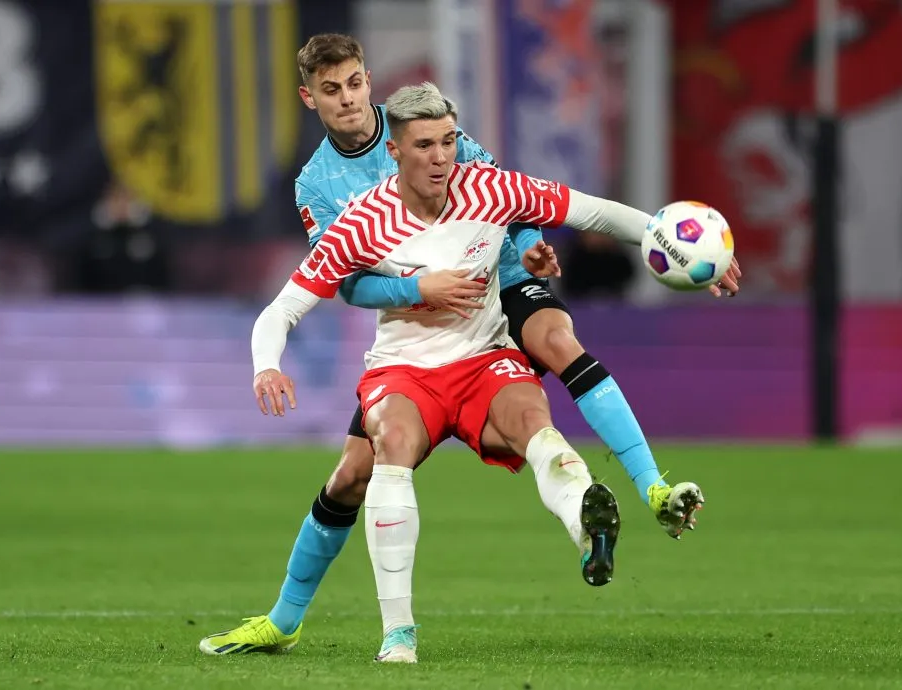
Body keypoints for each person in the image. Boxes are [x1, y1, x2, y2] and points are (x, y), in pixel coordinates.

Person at [199, 34, 738, 658]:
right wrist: (415, 287)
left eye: (353, 84)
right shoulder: (334, 198)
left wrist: (670, 247)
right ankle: (295, 620)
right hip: (412, 342)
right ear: (311, 99)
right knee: (354, 475)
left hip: (495, 293)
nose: (347, 100)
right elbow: (337, 288)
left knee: (554, 355)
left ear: (370, 83)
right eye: (331, 90)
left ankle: (638, 493)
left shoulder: (468, 172)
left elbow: (569, 208)